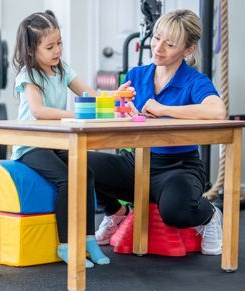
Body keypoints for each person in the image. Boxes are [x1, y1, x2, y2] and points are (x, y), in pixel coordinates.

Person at [90, 9, 227, 255]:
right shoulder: (137, 75)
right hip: (135, 163)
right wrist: (118, 106)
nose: (158, 47)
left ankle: (209, 215)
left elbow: (217, 111)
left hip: (177, 167)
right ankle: (117, 213)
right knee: (77, 163)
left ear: (188, 50)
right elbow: (122, 115)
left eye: (170, 43)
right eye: (156, 37)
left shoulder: (194, 80)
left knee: (176, 212)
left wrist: (164, 109)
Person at [11, 10, 129, 267]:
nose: (57, 51)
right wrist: (73, 114)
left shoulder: (62, 70)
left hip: (55, 143)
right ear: (32, 51)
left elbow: (90, 93)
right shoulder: (28, 76)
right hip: (31, 145)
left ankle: (88, 240)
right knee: (66, 180)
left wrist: (114, 95)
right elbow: (38, 111)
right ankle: (66, 245)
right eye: (50, 46)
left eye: (60, 43)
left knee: (86, 174)